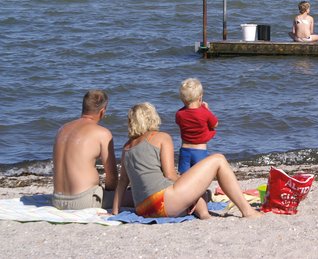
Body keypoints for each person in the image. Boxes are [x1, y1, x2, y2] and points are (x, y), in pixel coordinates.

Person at [113, 102, 261, 219]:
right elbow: (170, 175)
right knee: (219, 159)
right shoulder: (161, 137)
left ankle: (204, 215)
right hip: (163, 203)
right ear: (152, 117)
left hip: (142, 209)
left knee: (193, 188)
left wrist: (115, 212)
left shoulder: (127, 147)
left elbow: (122, 182)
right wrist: (192, 183)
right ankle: (248, 212)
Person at [52, 90, 119, 210]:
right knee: (135, 196)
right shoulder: (102, 133)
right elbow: (112, 177)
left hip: (57, 200)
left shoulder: (62, 129)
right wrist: (111, 194)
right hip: (84, 201)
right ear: (102, 111)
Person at [175, 78, 219, 174]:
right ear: (200, 98)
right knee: (199, 176)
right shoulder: (204, 112)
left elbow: (180, 123)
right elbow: (215, 124)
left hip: (184, 150)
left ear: (183, 99)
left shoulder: (179, 114)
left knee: (184, 176)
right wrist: (207, 109)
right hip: (199, 151)